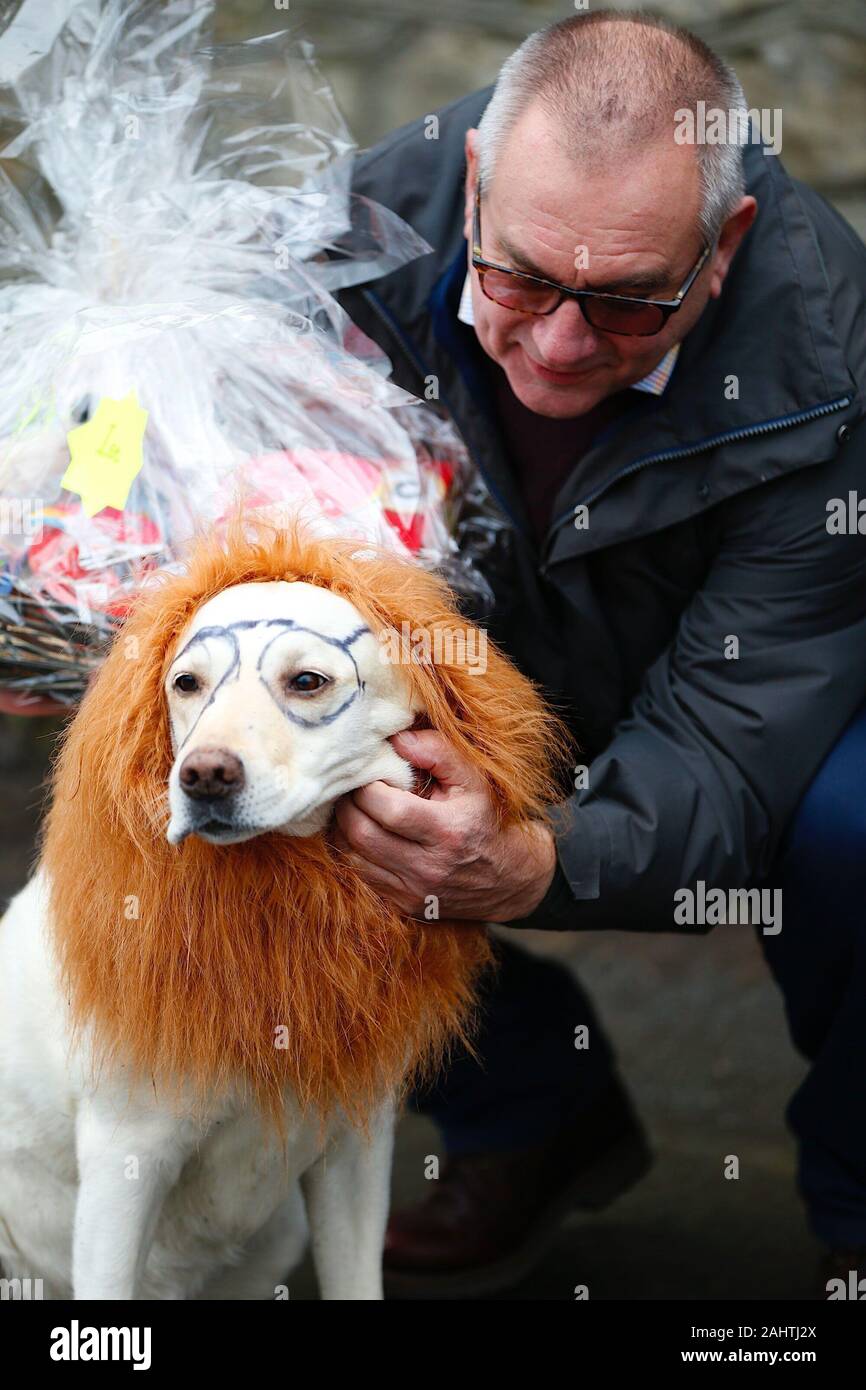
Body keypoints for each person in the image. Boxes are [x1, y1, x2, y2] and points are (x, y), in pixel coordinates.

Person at [328, 11, 866, 1296]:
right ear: (472, 188)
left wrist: (532, 859)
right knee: (249, 771)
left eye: (628, 300)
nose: (560, 345)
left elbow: (736, 747)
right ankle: (527, 1107)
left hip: (747, 692)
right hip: (468, 655)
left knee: (855, 831)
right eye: (518, 279)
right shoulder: (342, 249)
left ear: (722, 245)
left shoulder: (828, 362)